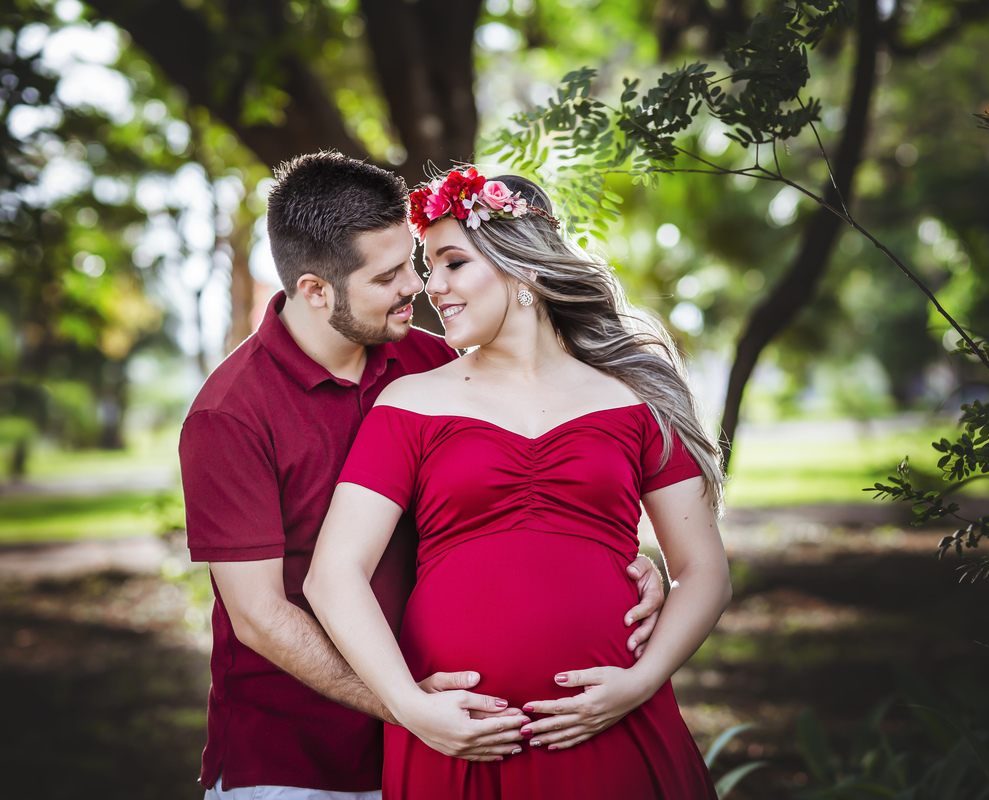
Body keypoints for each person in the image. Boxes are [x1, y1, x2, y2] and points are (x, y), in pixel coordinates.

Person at [179, 152, 666, 799]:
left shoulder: (432, 365)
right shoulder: (229, 414)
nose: (417, 285)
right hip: (295, 762)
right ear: (315, 291)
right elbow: (261, 616)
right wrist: (405, 705)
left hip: (441, 750)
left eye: (413, 259)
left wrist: (628, 570)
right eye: (388, 277)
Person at [305, 168, 732, 799]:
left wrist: (636, 686)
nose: (433, 287)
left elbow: (704, 571)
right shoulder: (409, 404)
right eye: (430, 268)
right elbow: (332, 574)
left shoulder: (635, 398)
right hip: (463, 736)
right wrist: (410, 708)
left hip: (611, 725)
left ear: (521, 265)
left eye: (453, 263)